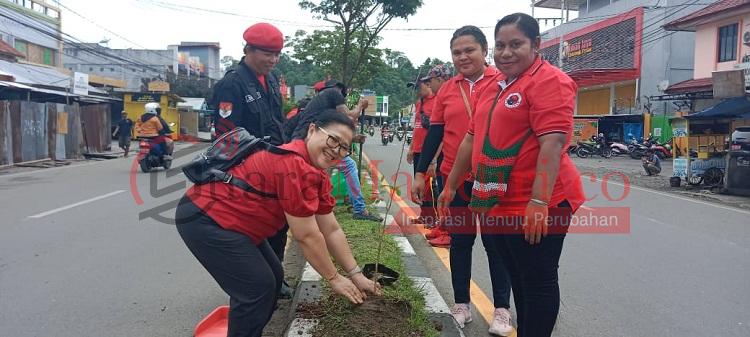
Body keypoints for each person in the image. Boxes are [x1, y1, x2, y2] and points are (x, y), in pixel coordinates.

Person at [441, 14, 585, 337]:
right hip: (499, 202)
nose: (506, 53)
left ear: (536, 45)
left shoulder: (549, 81)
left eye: (516, 44)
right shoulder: (494, 84)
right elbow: (470, 138)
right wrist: (451, 185)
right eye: (501, 46)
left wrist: (539, 201)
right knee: (519, 275)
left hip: (541, 201)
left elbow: (553, 143)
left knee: (538, 279)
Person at [176, 110, 381, 337]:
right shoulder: (294, 165)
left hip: (238, 225)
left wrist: (356, 274)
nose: (336, 150)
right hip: (205, 219)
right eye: (333, 139)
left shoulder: (316, 173)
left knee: (273, 279)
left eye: (344, 148)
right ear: (312, 130)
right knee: (256, 288)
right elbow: (307, 236)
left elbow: (331, 229)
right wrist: (334, 278)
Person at [411, 26, 512, 335]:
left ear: (485, 51)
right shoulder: (447, 90)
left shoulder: (503, 82)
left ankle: (502, 311)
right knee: (462, 241)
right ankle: (461, 305)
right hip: (454, 178)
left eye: (470, 50)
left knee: (497, 244)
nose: (463, 56)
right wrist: (420, 171)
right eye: (457, 52)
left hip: (494, 178)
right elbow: (436, 133)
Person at [209, 22, 291, 297]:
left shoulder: (271, 80)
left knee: (278, 225)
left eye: (276, 54)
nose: (272, 60)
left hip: (274, 166)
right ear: (248, 50)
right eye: (267, 53)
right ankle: (256, 284)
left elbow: (278, 123)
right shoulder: (231, 84)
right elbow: (225, 137)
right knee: (253, 230)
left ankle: (275, 278)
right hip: (248, 173)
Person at [287, 79, 382, 222]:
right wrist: (361, 105)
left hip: (302, 142)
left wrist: (354, 138)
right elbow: (349, 117)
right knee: (348, 165)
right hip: (311, 143)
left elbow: (333, 129)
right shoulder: (333, 93)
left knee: (319, 174)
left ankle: (321, 205)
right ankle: (359, 208)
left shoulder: (320, 103)